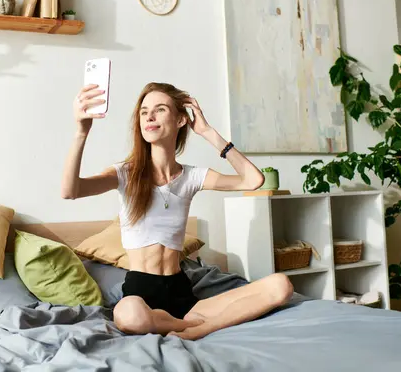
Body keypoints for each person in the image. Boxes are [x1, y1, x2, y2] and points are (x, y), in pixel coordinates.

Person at [61, 82, 294, 340]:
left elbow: (253, 180)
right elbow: (70, 190)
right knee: (129, 316)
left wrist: (207, 132)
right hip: (141, 294)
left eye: (159, 109)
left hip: (183, 296)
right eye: (143, 111)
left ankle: (199, 328)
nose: (149, 116)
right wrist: (81, 132)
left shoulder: (192, 177)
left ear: (181, 119)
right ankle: (187, 327)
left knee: (281, 285)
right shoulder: (125, 174)